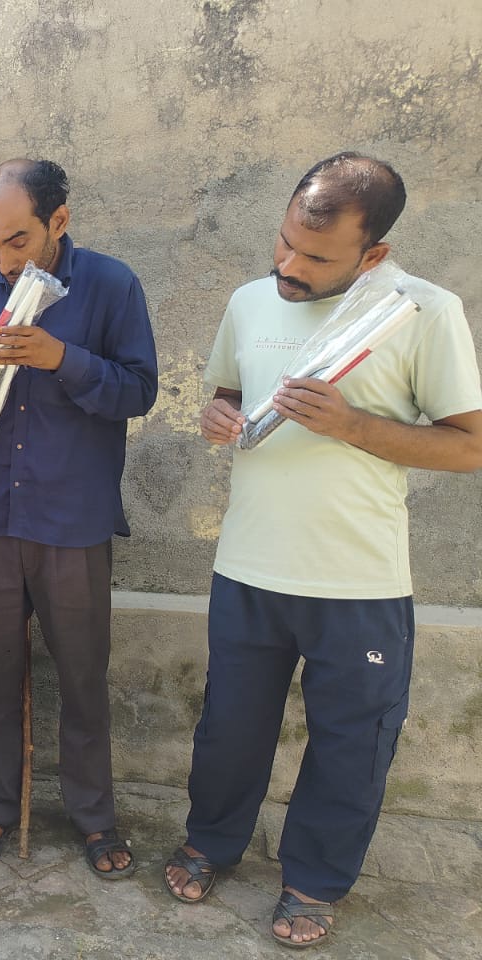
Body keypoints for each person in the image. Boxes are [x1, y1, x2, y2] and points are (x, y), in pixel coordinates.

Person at [166, 153, 482, 948]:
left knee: (350, 746)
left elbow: (470, 445)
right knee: (229, 728)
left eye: (315, 258)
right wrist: (218, 415)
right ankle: (211, 842)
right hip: (248, 566)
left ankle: (313, 882)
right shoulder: (249, 301)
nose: (288, 266)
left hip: (359, 580)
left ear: (374, 254)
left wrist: (353, 427)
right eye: (283, 244)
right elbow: (231, 391)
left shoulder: (422, 312)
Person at [0, 160, 158, 877]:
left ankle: (94, 817)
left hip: (74, 519)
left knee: (82, 676)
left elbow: (138, 392)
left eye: (18, 242)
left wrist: (63, 357)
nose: (3, 262)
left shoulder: (112, 285)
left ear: (58, 222)